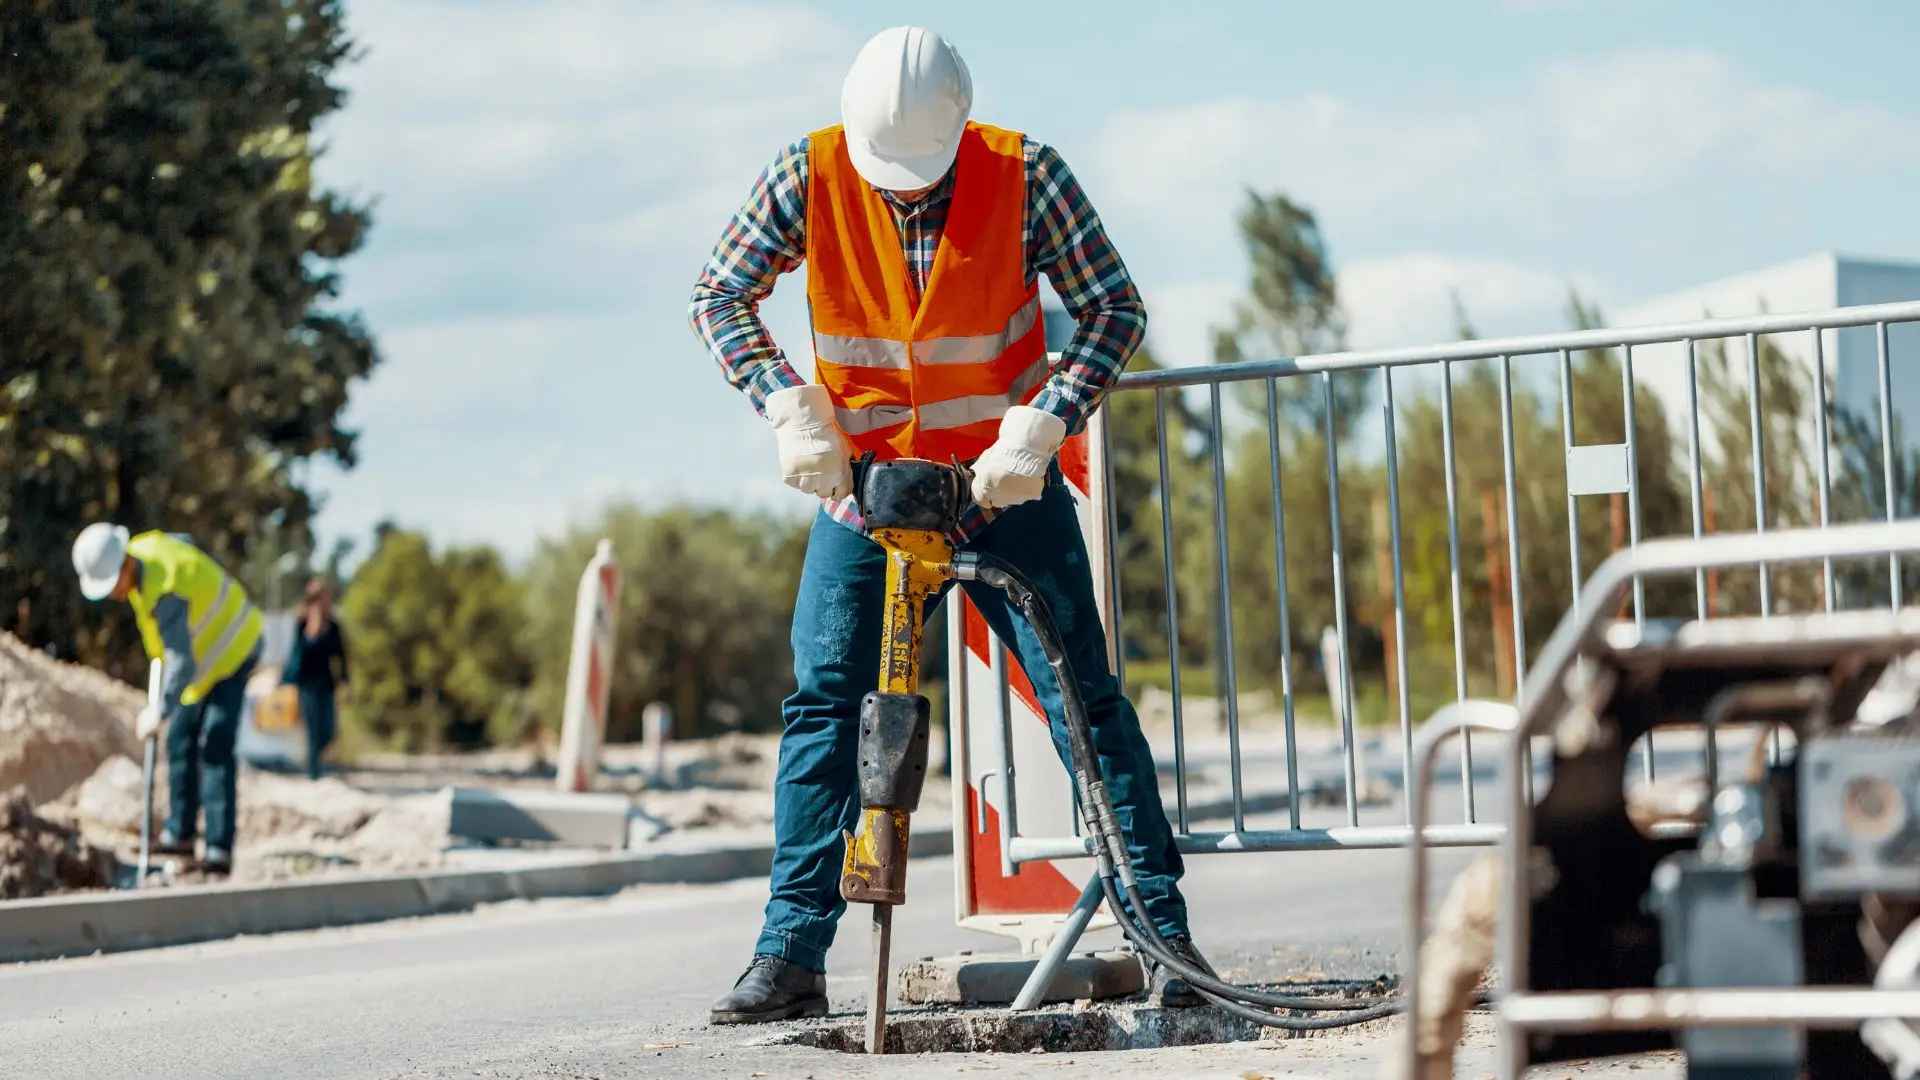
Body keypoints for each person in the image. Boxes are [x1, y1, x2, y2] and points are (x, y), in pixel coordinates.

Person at [688, 25, 1208, 1024]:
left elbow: (1115, 309)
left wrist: (1045, 422)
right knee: (825, 710)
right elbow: (720, 295)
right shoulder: (809, 172)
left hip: (1001, 490)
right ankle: (790, 955)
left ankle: (1163, 939)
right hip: (867, 497)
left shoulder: (1027, 175)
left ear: (959, 130)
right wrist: (785, 404)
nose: (899, 190)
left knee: (1084, 704)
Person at [70, 523, 263, 876]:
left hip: (234, 647)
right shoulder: (145, 552)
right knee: (179, 737)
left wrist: (160, 707)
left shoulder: (165, 589)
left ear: (125, 565)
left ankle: (218, 850)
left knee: (215, 743)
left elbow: (182, 660)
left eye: (112, 584)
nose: (113, 594)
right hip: (204, 665)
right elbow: (185, 542)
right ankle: (180, 834)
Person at [282, 577, 349, 781]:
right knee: (312, 728)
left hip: (326, 683)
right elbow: (298, 654)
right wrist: (312, 632)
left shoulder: (333, 626)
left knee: (328, 729)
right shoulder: (302, 624)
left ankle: (315, 764)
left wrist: (345, 681)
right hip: (306, 683)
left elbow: (341, 655)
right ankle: (313, 773)